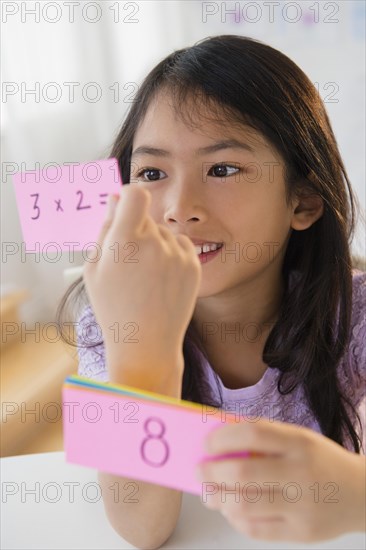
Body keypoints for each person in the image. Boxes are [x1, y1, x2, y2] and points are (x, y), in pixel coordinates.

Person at [56, 35, 366, 548]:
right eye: (152, 172)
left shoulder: (351, 315)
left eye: (222, 169)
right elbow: (140, 527)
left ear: (304, 199)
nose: (179, 207)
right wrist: (143, 346)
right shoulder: (108, 321)